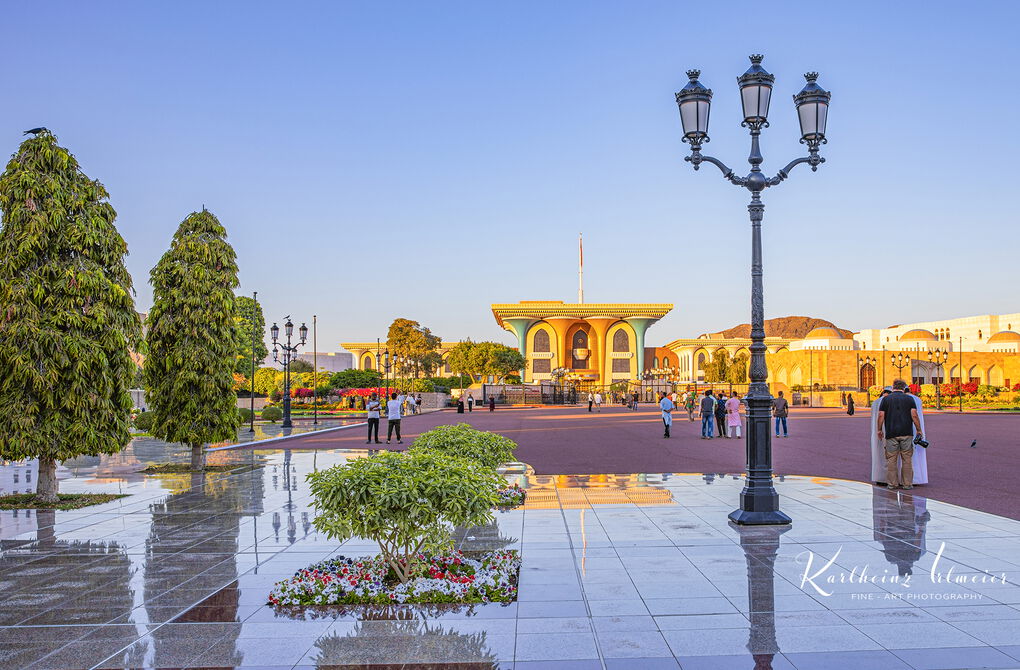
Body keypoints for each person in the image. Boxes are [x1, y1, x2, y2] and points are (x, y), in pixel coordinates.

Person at [877, 379, 923, 490]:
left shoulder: (886, 399)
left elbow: (881, 415)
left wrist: (879, 429)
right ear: (903, 388)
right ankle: (907, 484)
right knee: (907, 459)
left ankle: (892, 484)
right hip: (906, 432)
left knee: (891, 459)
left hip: (891, 433)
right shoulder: (909, 399)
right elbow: (914, 415)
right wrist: (919, 429)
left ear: (893, 387)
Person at [906, 387, 929, 485]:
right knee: (918, 455)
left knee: (907, 455)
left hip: (907, 427)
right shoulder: (917, 399)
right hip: (918, 427)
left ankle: (908, 479)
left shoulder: (906, 399)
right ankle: (919, 478)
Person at [870, 387, 892, 484]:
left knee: (878, 455)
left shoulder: (875, 402)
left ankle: (880, 477)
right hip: (889, 430)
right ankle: (891, 479)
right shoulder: (890, 401)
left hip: (877, 432)